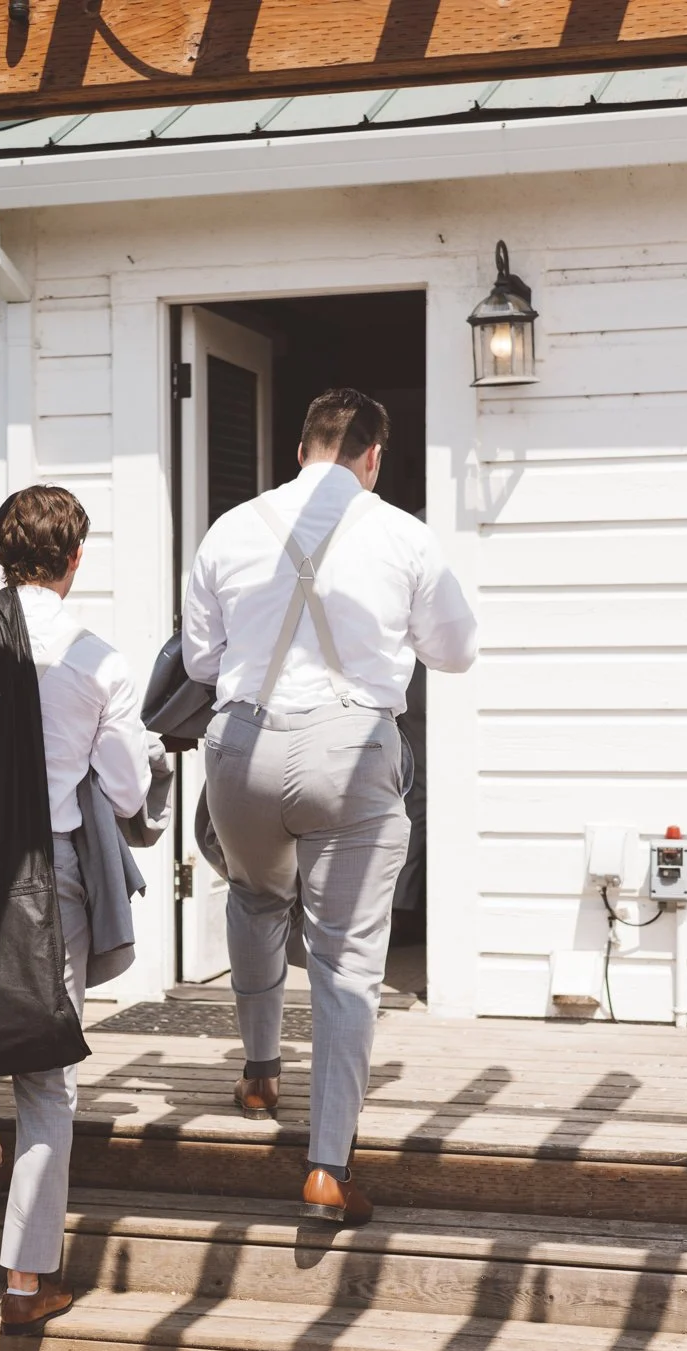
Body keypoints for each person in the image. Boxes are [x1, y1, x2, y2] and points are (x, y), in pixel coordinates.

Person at [181, 387, 478, 1226]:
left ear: (303, 446)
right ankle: (326, 1165)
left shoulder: (232, 528)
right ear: (373, 456)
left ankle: (261, 1071)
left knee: (254, 896)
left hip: (240, 744)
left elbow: (202, 658)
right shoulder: (402, 533)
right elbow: (456, 652)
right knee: (347, 961)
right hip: (350, 747)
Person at [0, 484, 152, 1333]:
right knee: (46, 1075)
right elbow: (128, 784)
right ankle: (26, 1283)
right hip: (49, 869)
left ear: (1, 556)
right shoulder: (99, 659)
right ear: (75, 560)